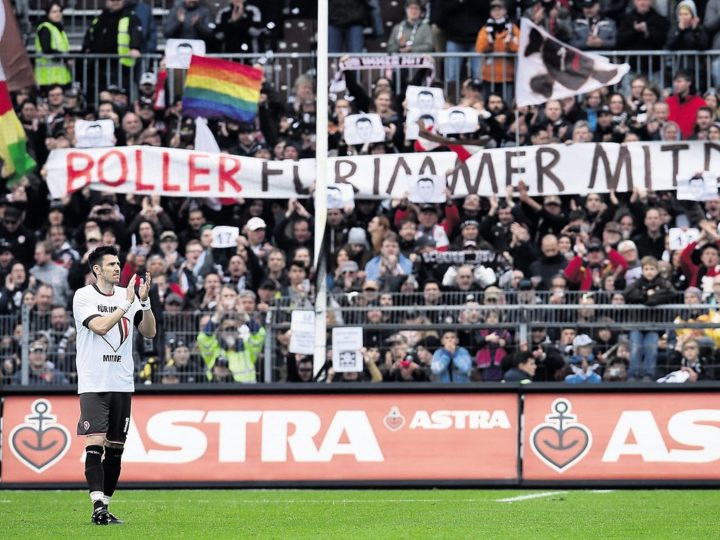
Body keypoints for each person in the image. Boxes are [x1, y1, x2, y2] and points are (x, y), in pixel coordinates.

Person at [72, 245, 156, 525]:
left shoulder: (127, 295)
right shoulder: (84, 296)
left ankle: (105, 506)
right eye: (111, 264)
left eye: (118, 263)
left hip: (122, 381)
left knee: (116, 447)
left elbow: (149, 332)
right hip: (94, 381)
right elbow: (100, 327)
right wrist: (126, 304)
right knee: (95, 441)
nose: (117, 268)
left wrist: (143, 303)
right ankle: (97, 504)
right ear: (97, 269)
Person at [82, 0, 143, 99]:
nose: (115, 2)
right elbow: (89, 37)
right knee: (99, 94)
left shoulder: (130, 17)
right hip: (98, 65)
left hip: (120, 65)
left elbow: (136, 33)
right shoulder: (99, 18)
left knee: (119, 95)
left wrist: (135, 47)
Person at [34, 1, 72, 94]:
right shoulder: (45, 28)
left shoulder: (59, 29)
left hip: (60, 77)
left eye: (59, 11)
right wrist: (65, 58)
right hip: (47, 78)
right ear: (48, 14)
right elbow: (47, 49)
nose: (58, 14)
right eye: (54, 12)